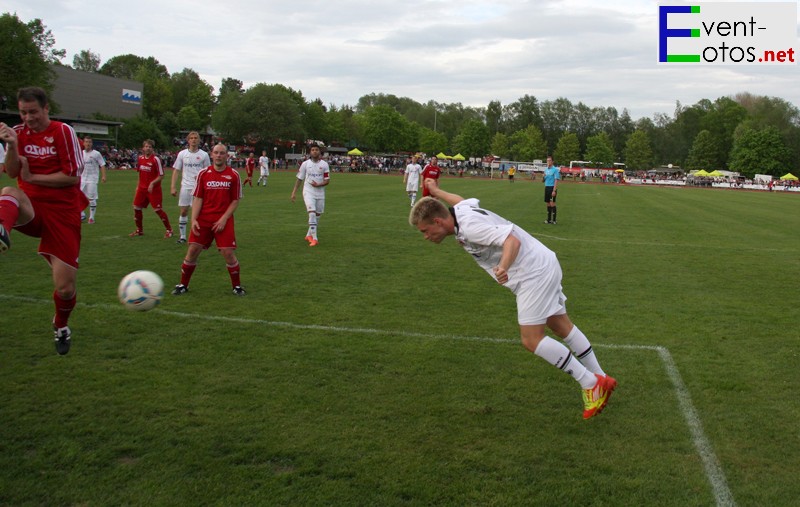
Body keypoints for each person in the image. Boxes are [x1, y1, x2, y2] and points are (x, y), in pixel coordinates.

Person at [410, 179, 616, 419]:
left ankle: (591, 384)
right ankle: (602, 377)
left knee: (532, 340)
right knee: (560, 325)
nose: (426, 236)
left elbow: (511, 240)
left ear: (437, 221)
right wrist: (435, 192)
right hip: (543, 261)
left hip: (532, 274)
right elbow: (459, 201)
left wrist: (503, 266)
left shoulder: (470, 227)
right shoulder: (459, 213)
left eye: (425, 231)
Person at [0, 86, 87, 355]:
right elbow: (13, 172)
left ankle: (61, 325)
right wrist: (12, 146)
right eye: (23, 112)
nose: (28, 118)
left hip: (64, 212)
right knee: (9, 192)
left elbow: (72, 177)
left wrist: (34, 178)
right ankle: (1, 229)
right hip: (33, 206)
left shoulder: (62, 132)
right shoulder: (18, 134)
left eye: (34, 112)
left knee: (64, 287)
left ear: (46, 108)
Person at [171, 143, 245, 296]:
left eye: (222, 153)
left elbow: (235, 200)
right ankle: (183, 285)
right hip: (204, 218)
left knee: (228, 253)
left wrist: (224, 218)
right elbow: (198, 197)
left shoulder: (233, 175)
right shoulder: (203, 174)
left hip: (223, 220)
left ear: (227, 156)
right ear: (211, 154)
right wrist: (194, 219)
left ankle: (237, 287)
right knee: (192, 250)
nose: (219, 155)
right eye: (216, 152)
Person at [170, 131, 210, 244]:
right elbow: (176, 170)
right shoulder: (182, 154)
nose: (193, 140)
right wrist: (173, 186)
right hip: (185, 187)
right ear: (188, 140)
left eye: (195, 138)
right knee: (183, 211)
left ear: (199, 140)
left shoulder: (204, 155)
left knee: (198, 213)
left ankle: (199, 237)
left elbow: (208, 172)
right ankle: (182, 237)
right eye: (191, 138)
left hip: (198, 188)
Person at [130, 139, 173, 238]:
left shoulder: (155, 159)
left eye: (149, 147)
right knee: (136, 208)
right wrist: (138, 186)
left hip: (154, 190)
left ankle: (169, 230)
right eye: (146, 146)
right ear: (143, 148)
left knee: (158, 210)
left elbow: (161, 175)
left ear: (152, 149)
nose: (147, 148)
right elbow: (140, 174)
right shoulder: (140, 159)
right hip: (142, 188)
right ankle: (139, 230)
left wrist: (152, 183)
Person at [290, 144, 330, 247]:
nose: (314, 151)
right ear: (310, 152)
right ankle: (315, 239)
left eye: (316, 150)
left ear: (319, 152)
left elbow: (327, 180)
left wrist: (319, 185)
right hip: (308, 191)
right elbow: (299, 178)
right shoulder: (305, 164)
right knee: (312, 213)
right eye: (312, 150)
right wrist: (294, 192)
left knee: (317, 215)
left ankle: (308, 235)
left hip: (320, 192)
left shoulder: (324, 165)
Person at [80, 136, 107, 224]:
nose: (88, 144)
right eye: (86, 142)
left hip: (92, 179)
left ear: (92, 144)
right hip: (82, 179)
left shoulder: (96, 154)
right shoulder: (80, 153)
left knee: (91, 198)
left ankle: (91, 218)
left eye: (90, 142)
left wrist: (103, 176)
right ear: (83, 143)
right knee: (78, 197)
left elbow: (102, 164)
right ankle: (82, 214)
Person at [543, 155, 560, 224]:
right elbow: (543, 180)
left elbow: (556, 180)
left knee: (552, 204)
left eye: (549, 160)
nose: (548, 162)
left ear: (552, 161)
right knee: (548, 203)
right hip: (546, 187)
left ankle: (554, 220)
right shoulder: (546, 170)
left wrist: (554, 190)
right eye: (547, 160)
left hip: (552, 188)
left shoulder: (555, 170)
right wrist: (543, 177)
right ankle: (549, 219)